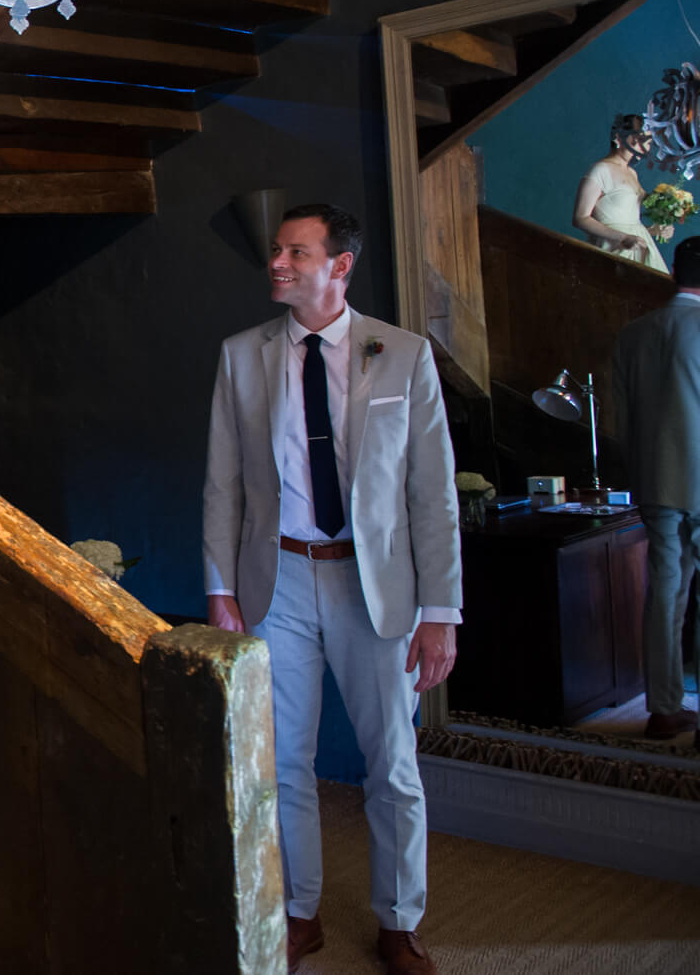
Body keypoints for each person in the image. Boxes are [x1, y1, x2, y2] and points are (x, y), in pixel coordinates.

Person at [202, 203, 461, 975]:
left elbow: (433, 494)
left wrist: (441, 610)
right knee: (283, 761)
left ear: (340, 265)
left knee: (393, 763)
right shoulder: (241, 355)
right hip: (275, 581)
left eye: (297, 251)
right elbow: (222, 484)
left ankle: (399, 922)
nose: (278, 262)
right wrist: (220, 587)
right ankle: (298, 912)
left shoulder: (403, 354)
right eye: (277, 250)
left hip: (375, 586)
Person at [607, 237, 700, 741]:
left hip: (653, 479)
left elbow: (620, 418)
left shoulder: (633, 333)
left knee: (665, 590)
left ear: (673, 274)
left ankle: (663, 709)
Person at [575, 113, 671, 274]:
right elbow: (580, 218)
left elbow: (630, 221)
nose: (642, 146)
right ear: (619, 138)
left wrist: (655, 230)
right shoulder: (600, 170)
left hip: (638, 247)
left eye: (647, 141)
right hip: (613, 249)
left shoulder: (632, 173)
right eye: (638, 139)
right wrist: (623, 238)